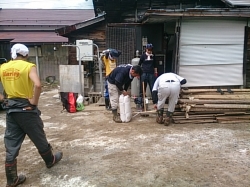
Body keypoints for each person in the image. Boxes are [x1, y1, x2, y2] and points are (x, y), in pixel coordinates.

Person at [0, 43, 63, 187]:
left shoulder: (3, 67)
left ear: (13, 54)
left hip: (12, 110)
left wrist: (3, 99)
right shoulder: (28, 66)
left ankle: (11, 179)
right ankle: (50, 160)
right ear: (26, 55)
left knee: (11, 143)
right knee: (38, 136)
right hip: (26, 109)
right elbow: (38, 85)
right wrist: (34, 102)